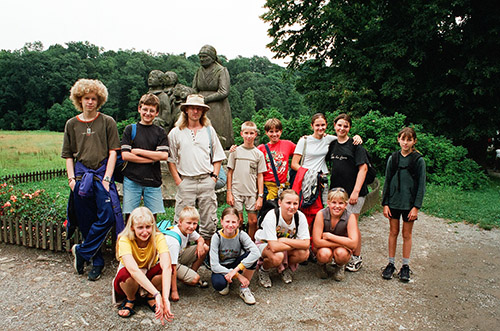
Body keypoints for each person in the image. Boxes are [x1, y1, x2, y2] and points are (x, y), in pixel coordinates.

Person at [62, 78, 124, 281]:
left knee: (107, 216)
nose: (90, 102)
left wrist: (107, 178)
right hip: (80, 178)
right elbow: (69, 155)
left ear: (99, 101)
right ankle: (96, 262)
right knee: (86, 221)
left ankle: (81, 251)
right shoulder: (71, 124)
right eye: (86, 98)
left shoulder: (107, 122)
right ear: (79, 99)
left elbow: (114, 152)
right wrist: (72, 180)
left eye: (94, 99)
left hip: (101, 176)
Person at [167, 94, 226, 245]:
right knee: (182, 221)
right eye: (193, 108)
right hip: (186, 181)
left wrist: (214, 177)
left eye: (199, 109)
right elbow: (171, 159)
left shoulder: (209, 130)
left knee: (209, 220)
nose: (195, 111)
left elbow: (218, 156)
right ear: (186, 110)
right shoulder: (176, 132)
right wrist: (178, 181)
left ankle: (205, 254)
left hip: (206, 179)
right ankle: (181, 252)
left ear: (203, 112)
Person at [291, 113, 362, 227]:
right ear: (312, 126)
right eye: (317, 125)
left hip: (323, 182)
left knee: (323, 212)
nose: (320, 128)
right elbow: (294, 164)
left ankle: (317, 239)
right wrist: (311, 174)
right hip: (307, 181)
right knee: (305, 211)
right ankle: (304, 240)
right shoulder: (304, 141)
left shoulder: (330, 139)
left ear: (327, 125)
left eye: (323, 125)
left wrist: (357, 137)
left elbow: (344, 139)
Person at [113, 207, 173, 323]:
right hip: (132, 275)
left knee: (166, 269)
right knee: (126, 274)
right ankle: (130, 299)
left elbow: (167, 266)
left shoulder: (158, 237)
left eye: (148, 227)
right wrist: (157, 294)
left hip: (149, 271)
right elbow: (133, 270)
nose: (145, 232)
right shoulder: (124, 239)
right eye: (140, 228)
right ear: (132, 228)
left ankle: (150, 296)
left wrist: (165, 298)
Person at [381, 127, 426, 282]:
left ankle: (405, 266)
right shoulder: (393, 158)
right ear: (398, 139)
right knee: (393, 232)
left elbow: (421, 185)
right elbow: (387, 181)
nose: (405, 143)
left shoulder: (418, 160)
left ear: (414, 141)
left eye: (409, 140)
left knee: (407, 234)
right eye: (403, 139)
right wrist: (385, 203)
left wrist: (416, 207)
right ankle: (391, 263)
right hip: (393, 201)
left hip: (409, 204)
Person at [326, 113, 369, 272]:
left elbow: (363, 168)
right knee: (338, 223)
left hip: (354, 192)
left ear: (349, 128)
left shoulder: (356, 145)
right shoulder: (332, 144)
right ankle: (340, 255)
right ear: (335, 126)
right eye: (339, 125)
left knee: (352, 224)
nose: (342, 128)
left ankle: (356, 257)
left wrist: (356, 192)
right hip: (337, 192)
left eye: (346, 126)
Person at [121, 93, 169, 220]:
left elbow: (163, 155)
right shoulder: (130, 130)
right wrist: (152, 158)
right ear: (139, 109)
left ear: (157, 112)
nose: (148, 113)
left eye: (152, 111)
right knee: (130, 216)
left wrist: (138, 151)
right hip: (132, 179)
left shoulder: (160, 132)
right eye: (145, 109)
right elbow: (125, 155)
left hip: (152, 180)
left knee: (152, 217)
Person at [254, 189, 310, 288]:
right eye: (288, 203)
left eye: (295, 203)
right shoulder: (272, 216)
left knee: (304, 253)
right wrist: (295, 244)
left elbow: (306, 244)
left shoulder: (299, 216)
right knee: (277, 256)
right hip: (264, 243)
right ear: (280, 202)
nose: (292, 207)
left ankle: (285, 267)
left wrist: (284, 240)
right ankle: (264, 269)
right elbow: (274, 247)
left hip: (282, 244)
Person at [210, 207, 260, 305]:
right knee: (219, 285)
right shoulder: (216, 237)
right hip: (221, 266)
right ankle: (229, 279)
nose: (230, 225)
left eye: (233, 222)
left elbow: (256, 252)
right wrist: (238, 275)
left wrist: (236, 270)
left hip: (236, 264)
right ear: (222, 222)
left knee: (252, 256)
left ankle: (244, 288)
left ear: (238, 223)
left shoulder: (241, 234)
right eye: (227, 221)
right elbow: (214, 266)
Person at [226, 121, 267, 240]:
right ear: (241, 134)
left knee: (253, 221)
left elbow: (260, 175)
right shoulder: (235, 152)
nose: (249, 136)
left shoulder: (258, 154)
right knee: (238, 221)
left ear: (255, 135)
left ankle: (250, 244)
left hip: (251, 192)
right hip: (236, 191)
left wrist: (260, 196)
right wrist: (229, 192)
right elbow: (230, 172)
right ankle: (237, 244)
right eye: (246, 133)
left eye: (251, 133)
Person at [312, 188, 360, 281]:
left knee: (341, 253)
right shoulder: (321, 214)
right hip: (325, 247)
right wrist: (344, 242)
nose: (337, 206)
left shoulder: (350, 217)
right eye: (334, 202)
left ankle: (340, 266)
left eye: (341, 203)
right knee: (324, 254)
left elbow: (354, 244)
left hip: (339, 247)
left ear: (346, 205)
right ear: (328, 203)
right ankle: (321, 265)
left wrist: (330, 236)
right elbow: (317, 242)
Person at [164, 206, 209, 302]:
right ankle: (182, 280)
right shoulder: (173, 241)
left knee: (205, 247)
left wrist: (200, 244)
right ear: (180, 222)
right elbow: (172, 267)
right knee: (195, 279)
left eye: (195, 223)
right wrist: (174, 291)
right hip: (168, 263)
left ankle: (190, 272)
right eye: (188, 223)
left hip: (179, 255)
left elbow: (200, 238)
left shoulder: (188, 230)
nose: (192, 226)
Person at [192, 45, 234, 148]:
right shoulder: (199, 71)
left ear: (212, 57)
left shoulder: (221, 70)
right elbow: (194, 88)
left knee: (217, 134)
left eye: (205, 57)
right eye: (200, 57)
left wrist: (205, 99)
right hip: (200, 107)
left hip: (217, 107)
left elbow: (224, 91)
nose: (202, 59)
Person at [257, 118, 296, 200]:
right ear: (266, 132)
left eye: (277, 131)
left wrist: (307, 138)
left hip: (283, 186)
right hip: (268, 186)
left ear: (281, 131)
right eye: (271, 131)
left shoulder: (288, 144)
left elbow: (302, 152)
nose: (274, 134)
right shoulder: (261, 148)